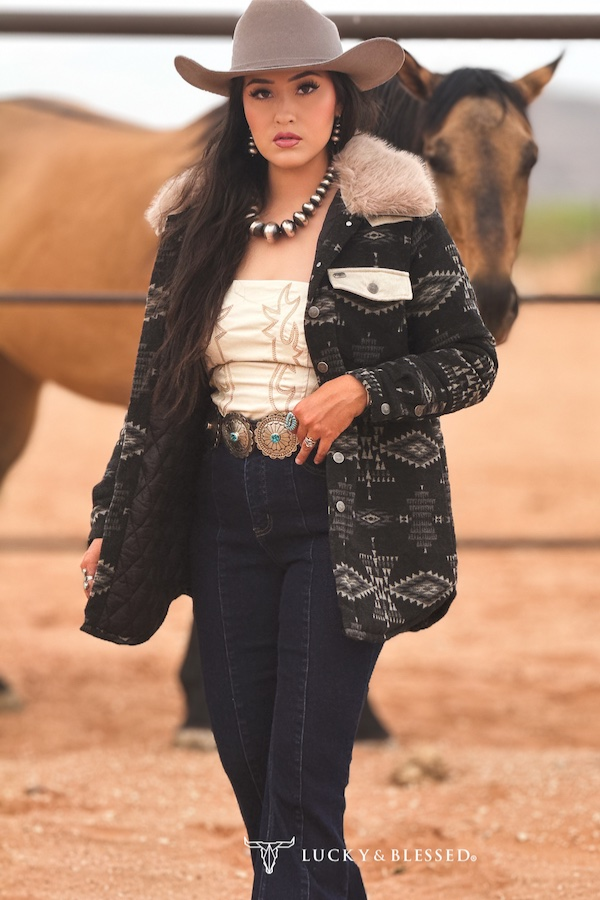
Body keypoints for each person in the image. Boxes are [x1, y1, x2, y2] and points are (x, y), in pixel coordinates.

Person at [80, 0, 498, 896]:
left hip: (341, 521)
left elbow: (470, 360)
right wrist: (114, 516)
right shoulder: (194, 226)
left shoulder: (395, 215)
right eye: (260, 92)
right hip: (222, 514)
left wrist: (364, 389)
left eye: (305, 88)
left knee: (302, 793)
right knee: (256, 784)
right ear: (238, 108)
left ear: (340, 100)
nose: (284, 111)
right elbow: (156, 391)